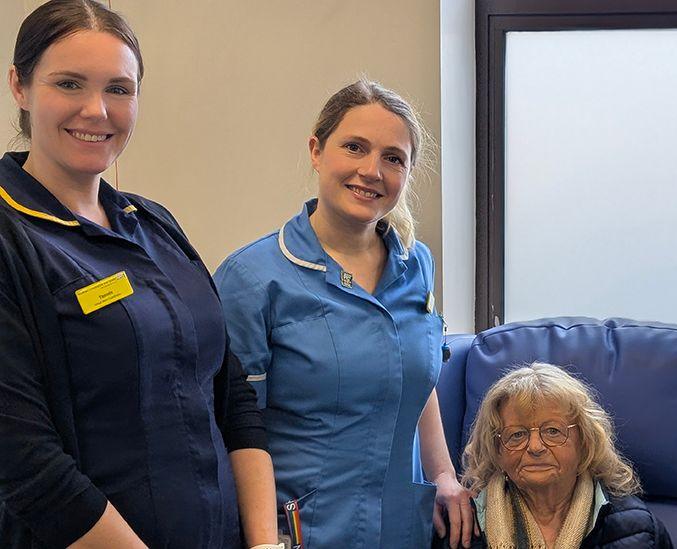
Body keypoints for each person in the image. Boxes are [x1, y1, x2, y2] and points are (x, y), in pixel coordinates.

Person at [0, 1, 279, 547]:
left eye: (119, 89)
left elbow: (230, 394)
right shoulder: (13, 239)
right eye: (70, 84)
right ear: (20, 86)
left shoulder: (153, 223)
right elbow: (23, 458)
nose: (97, 110)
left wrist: (266, 541)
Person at [215, 79, 474, 548]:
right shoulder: (252, 278)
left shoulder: (417, 264)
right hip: (298, 531)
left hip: (401, 529)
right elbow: (233, 426)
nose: (371, 170)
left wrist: (443, 474)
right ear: (316, 150)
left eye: (393, 158)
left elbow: (419, 374)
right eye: (354, 147)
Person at [451, 363, 673, 549]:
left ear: (585, 442)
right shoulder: (464, 527)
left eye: (553, 431)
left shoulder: (639, 531)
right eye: (517, 435)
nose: (535, 447)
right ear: (497, 451)